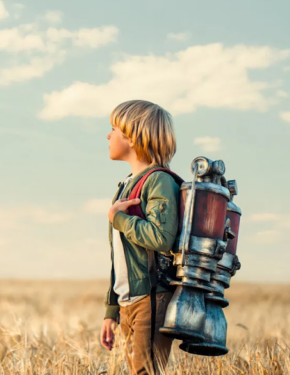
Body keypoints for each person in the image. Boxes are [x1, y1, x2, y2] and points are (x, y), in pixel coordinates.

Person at [98, 100, 182, 375]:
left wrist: (119, 219)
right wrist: (112, 311)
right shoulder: (125, 186)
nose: (108, 136)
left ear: (133, 137)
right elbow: (120, 258)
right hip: (129, 300)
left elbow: (161, 238)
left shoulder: (159, 181)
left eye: (114, 129)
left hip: (151, 297)